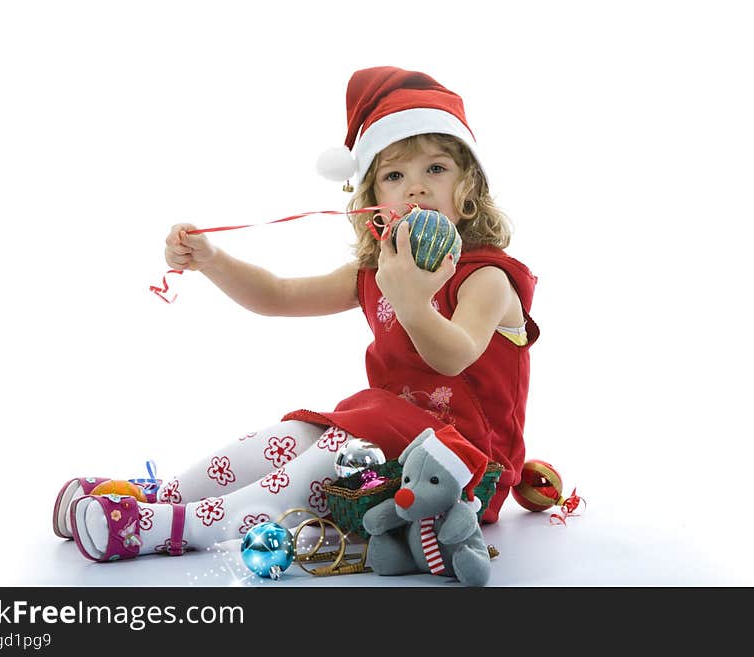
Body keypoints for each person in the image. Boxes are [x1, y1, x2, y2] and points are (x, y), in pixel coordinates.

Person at [53, 66, 540, 563]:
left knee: (329, 456)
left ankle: (173, 528)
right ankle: (155, 496)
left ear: (469, 187)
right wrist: (213, 261)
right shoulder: (374, 272)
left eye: (435, 169)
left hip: (459, 468)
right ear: (373, 203)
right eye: (395, 175)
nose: (415, 189)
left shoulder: (487, 279)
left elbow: (454, 358)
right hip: (379, 434)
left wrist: (412, 302)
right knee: (294, 436)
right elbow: (280, 295)